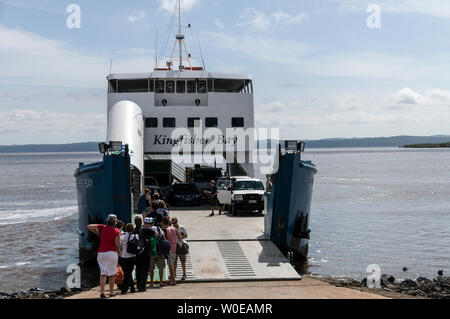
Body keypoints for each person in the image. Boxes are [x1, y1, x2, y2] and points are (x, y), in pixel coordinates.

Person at [87, 214, 120, 299]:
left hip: (101, 253)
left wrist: (96, 232)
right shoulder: (116, 230)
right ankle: (111, 292)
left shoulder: (102, 227)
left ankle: (102, 293)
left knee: (103, 274)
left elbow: (89, 226)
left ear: (107, 221)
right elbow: (117, 244)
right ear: (115, 222)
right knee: (112, 274)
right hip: (112, 253)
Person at [135, 218, 154, 292]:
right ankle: (143, 286)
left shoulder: (134, 230)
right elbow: (155, 233)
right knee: (145, 269)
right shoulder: (145, 229)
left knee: (138, 269)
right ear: (141, 222)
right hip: (145, 251)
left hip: (137, 252)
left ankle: (138, 285)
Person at [118, 223, 137, 295]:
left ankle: (124, 289)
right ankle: (132, 288)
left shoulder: (123, 237)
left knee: (126, 273)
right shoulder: (136, 236)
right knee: (129, 273)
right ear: (133, 229)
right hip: (132, 256)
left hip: (124, 257)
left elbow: (119, 245)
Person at [148, 217, 166, 288]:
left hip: (151, 250)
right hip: (159, 250)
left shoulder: (147, 229)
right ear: (154, 222)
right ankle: (161, 282)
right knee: (160, 267)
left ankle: (152, 282)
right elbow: (163, 236)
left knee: (151, 267)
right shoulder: (158, 228)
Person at [161, 216, 177, 286]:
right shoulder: (173, 228)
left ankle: (173, 280)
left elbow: (164, 240)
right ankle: (172, 280)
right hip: (174, 248)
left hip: (169, 250)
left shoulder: (165, 230)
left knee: (170, 265)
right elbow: (178, 236)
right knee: (172, 264)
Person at [171, 217, 188, 281]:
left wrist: (179, 237)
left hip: (181, 245)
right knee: (174, 261)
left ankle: (184, 274)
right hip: (174, 246)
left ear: (177, 221)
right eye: (172, 223)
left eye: (175, 222)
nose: (174, 224)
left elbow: (186, 235)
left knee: (183, 261)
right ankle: (174, 274)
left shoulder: (182, 228)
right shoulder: (171, 229)